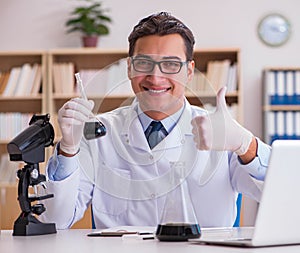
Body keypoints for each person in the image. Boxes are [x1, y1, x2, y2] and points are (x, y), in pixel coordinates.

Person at [41, 12, 271, 229]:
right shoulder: (98, 132)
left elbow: (286, 195)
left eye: (171, 64)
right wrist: (68, 150)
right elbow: (56, 220)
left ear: (189, 71)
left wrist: (246, 145)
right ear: (130, 68)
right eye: (143, 63)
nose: (156, 77)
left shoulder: (223, 133)